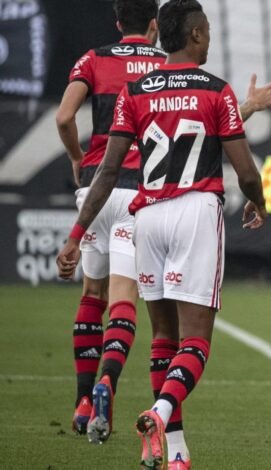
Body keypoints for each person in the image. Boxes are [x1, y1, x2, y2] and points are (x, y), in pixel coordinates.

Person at [56, 1, 268, 469]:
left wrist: (76, 234)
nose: (209, 37)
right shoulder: (216, 89)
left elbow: (108, 170)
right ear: (195, 35)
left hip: (147, 215)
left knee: (162, 338)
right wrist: (259, 200)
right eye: (207, 30)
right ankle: (160, 410)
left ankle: (176, 452)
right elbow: (246, 172)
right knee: (196, 342)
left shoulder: (135, 91)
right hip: (195, 211)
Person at [55, 0, 166, 443]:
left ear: (119, 23)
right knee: (124, 298)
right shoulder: (166, 65)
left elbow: (64, 116)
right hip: (139, 191)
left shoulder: (93, 59)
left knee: (92, 294)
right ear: (154, 25)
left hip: (96, 188)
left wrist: (77, 157)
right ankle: (108, 381)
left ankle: (83, 400)